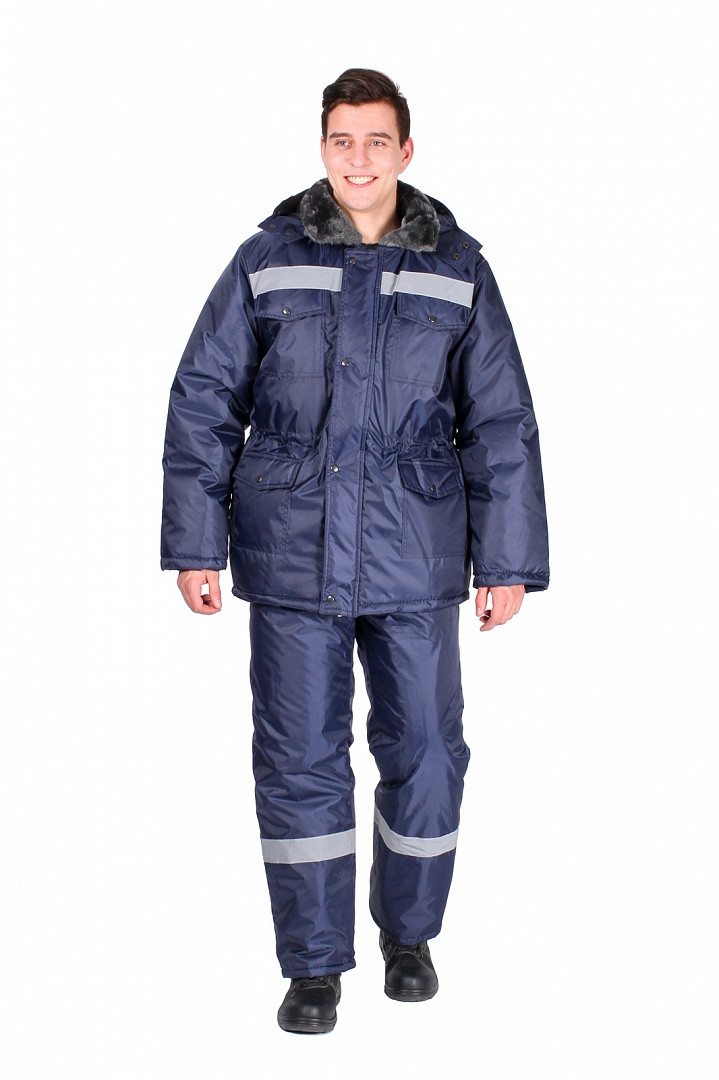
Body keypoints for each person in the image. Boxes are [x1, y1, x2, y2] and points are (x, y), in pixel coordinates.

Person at [160, 67, 550, 1034]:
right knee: (299, 760)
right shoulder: (266, 257)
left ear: (405, 150)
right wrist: (194, 543)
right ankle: (313, 966)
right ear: (322, 147)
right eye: (343, 140)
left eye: (377, 140)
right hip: (291, 552)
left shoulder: (457, 264)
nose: (359, 158)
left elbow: (500, 420)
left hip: (417, 552)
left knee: (426, 752)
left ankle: (408, 938)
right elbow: (204, 399)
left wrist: (505, 562)